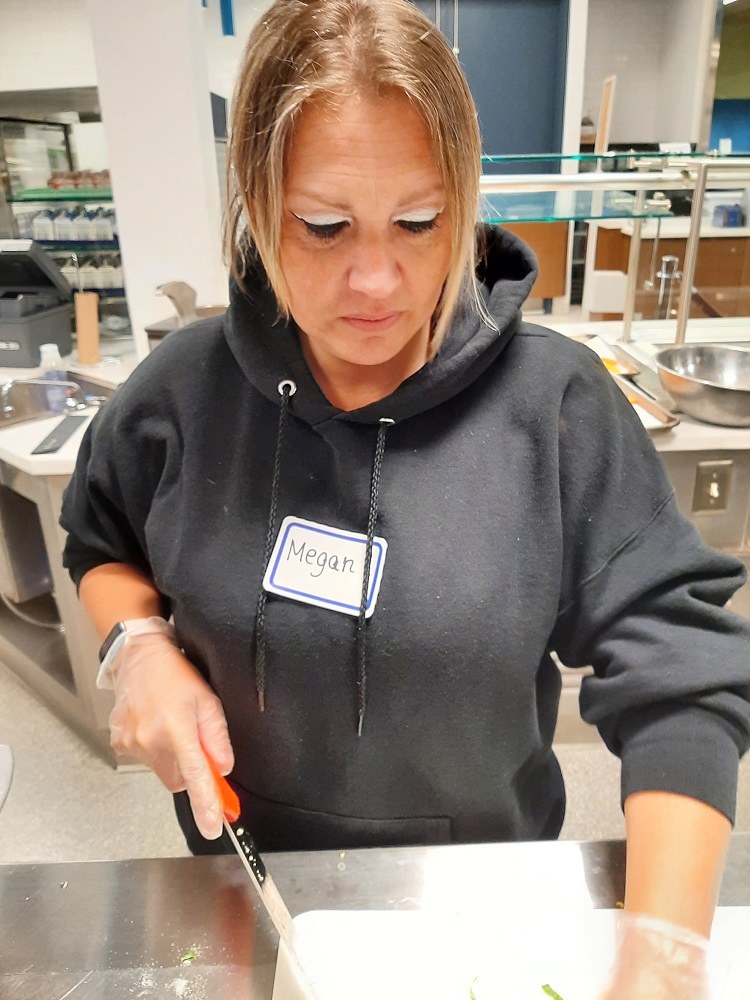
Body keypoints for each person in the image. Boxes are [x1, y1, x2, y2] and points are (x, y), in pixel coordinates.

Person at [61, 0, 749, 995]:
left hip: (484, 914)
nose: (376, 277)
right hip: (247, 913)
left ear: (464, 202)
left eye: (421, 222)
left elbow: (680, 673)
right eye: (324, 225)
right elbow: (100, 533)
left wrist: (666, 954)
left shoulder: (555, 408)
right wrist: (137, 644)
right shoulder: (184, 392)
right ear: (254, 196)